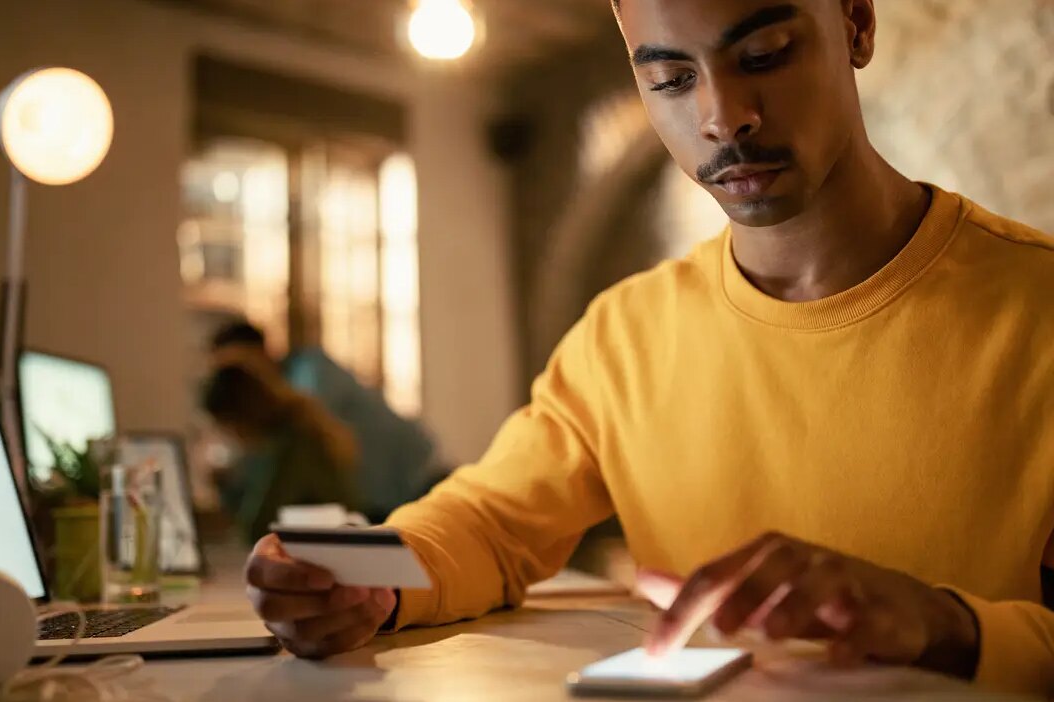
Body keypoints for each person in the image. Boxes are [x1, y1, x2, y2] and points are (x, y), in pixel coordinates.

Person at [242, 0, 1054, 696]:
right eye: (669, 79)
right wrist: (373, 582)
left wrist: (945, 624)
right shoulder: (625, 335)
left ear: (857, 22)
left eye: (764, 55)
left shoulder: (1036, 308)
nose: (721, 115)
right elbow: (492, 524)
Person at [211, 322, 444, 523]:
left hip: (418, 484)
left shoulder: (308, 381)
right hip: (387, 499)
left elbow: (296, 443)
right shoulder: (289, 404)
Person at [202, 360, 361, 544]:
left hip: (326, 548)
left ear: (240, 416)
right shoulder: (294, 431)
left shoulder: (292, 444)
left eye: (226, 426)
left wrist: (224, 486)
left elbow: (258, 527)